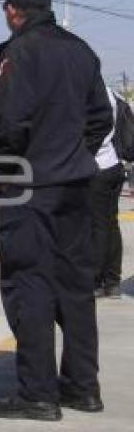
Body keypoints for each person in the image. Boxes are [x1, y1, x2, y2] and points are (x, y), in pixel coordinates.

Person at [0, 0, 114, 422]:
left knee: (29, 285)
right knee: (76, 288)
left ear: (15, 10)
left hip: (28, 189)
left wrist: (2, 169)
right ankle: (82, 386)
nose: (5, 14)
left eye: (6, 8)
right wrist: (75, 153)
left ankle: (37, 392)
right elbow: (101, 116)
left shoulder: (20, 52)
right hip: (75, 185)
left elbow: (7, 123)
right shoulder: (81, 51)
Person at [90, 88, 125, 299]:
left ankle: (95, 280)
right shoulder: (111, 93)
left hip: (97, 167)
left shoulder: (89, 93)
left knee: (97, 225)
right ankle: (113, 281)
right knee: (111, 223)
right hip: (114, 164)